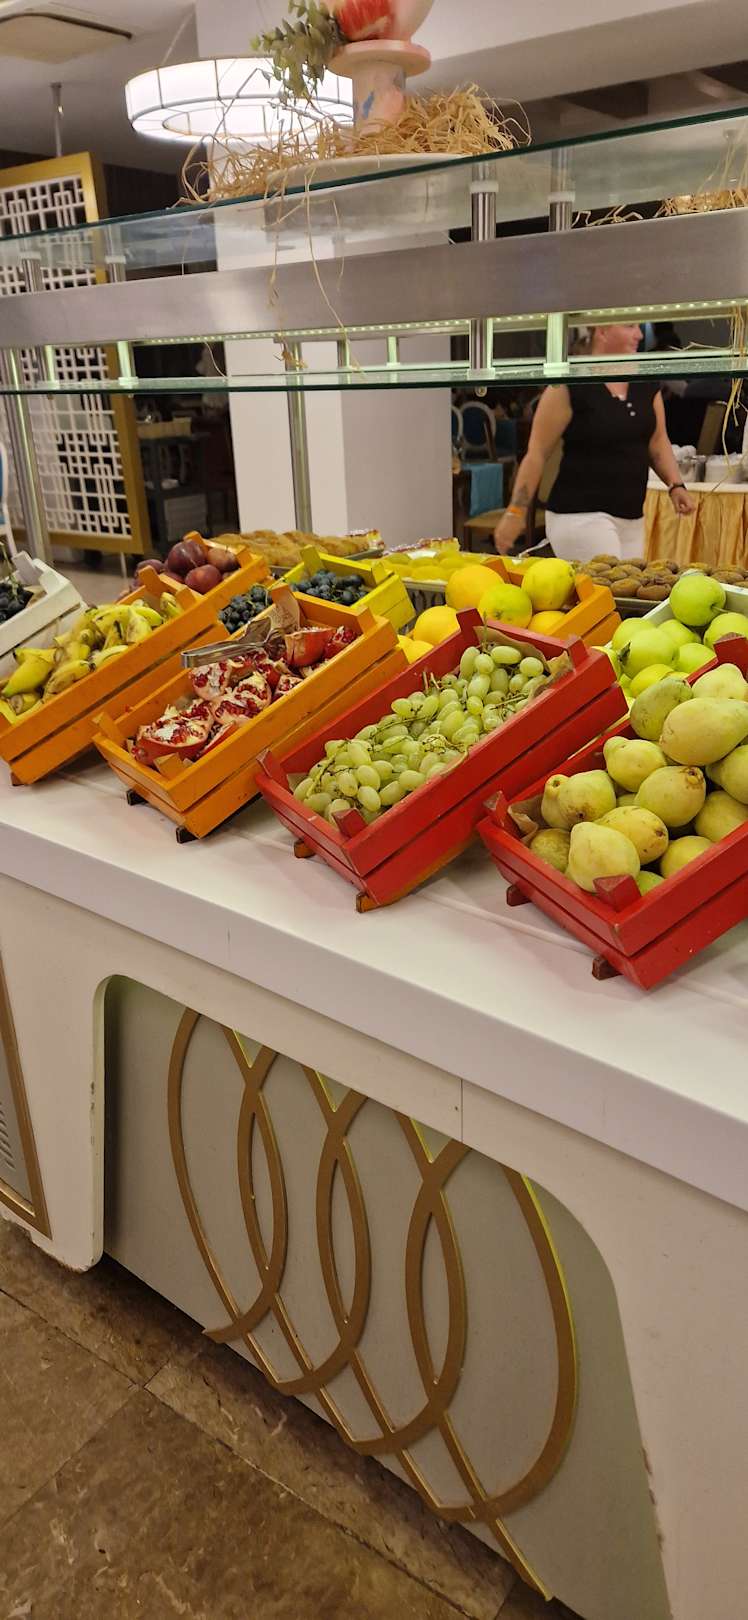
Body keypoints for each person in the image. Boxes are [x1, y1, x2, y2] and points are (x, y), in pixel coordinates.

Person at [493, 324, 696, 562]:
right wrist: (516, 511)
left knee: (628, 585)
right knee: (609, 584)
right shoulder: (569, 384)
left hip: (631, 517)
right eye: (630, 326)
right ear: (602, 331)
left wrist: (675, 485)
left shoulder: (645, 382)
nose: (640, 335)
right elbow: (537, 453)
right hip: (579, 516)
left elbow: (658, 441)